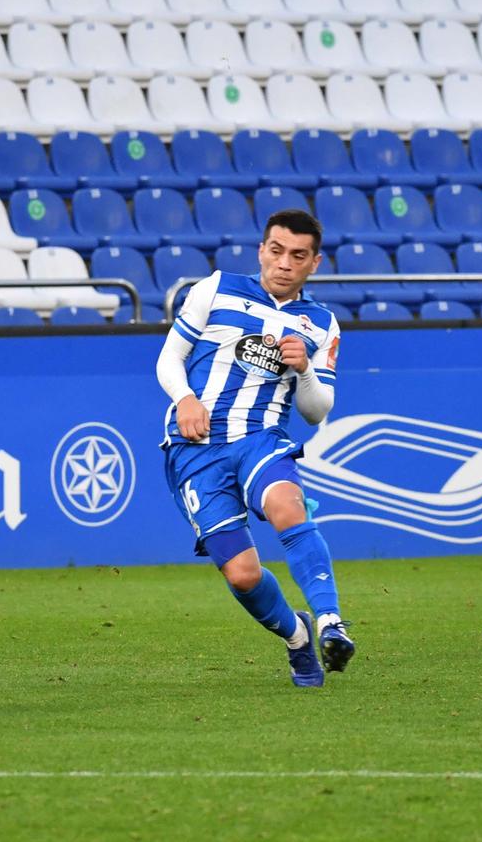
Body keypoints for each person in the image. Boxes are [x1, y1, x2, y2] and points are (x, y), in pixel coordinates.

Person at [158, 209, 353, 687]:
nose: (284, 263)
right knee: (243, 575)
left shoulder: (322, 324)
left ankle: (331, 622)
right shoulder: (216, 288)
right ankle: (297, 637)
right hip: (195, 447)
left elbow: (315, 410)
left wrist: (304, 368)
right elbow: (169, 358)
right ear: (262, 250)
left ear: (315, 263)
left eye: (298, 256)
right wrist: (184, 398)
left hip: (260, 439)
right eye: (276, 250)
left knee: (288, 507)